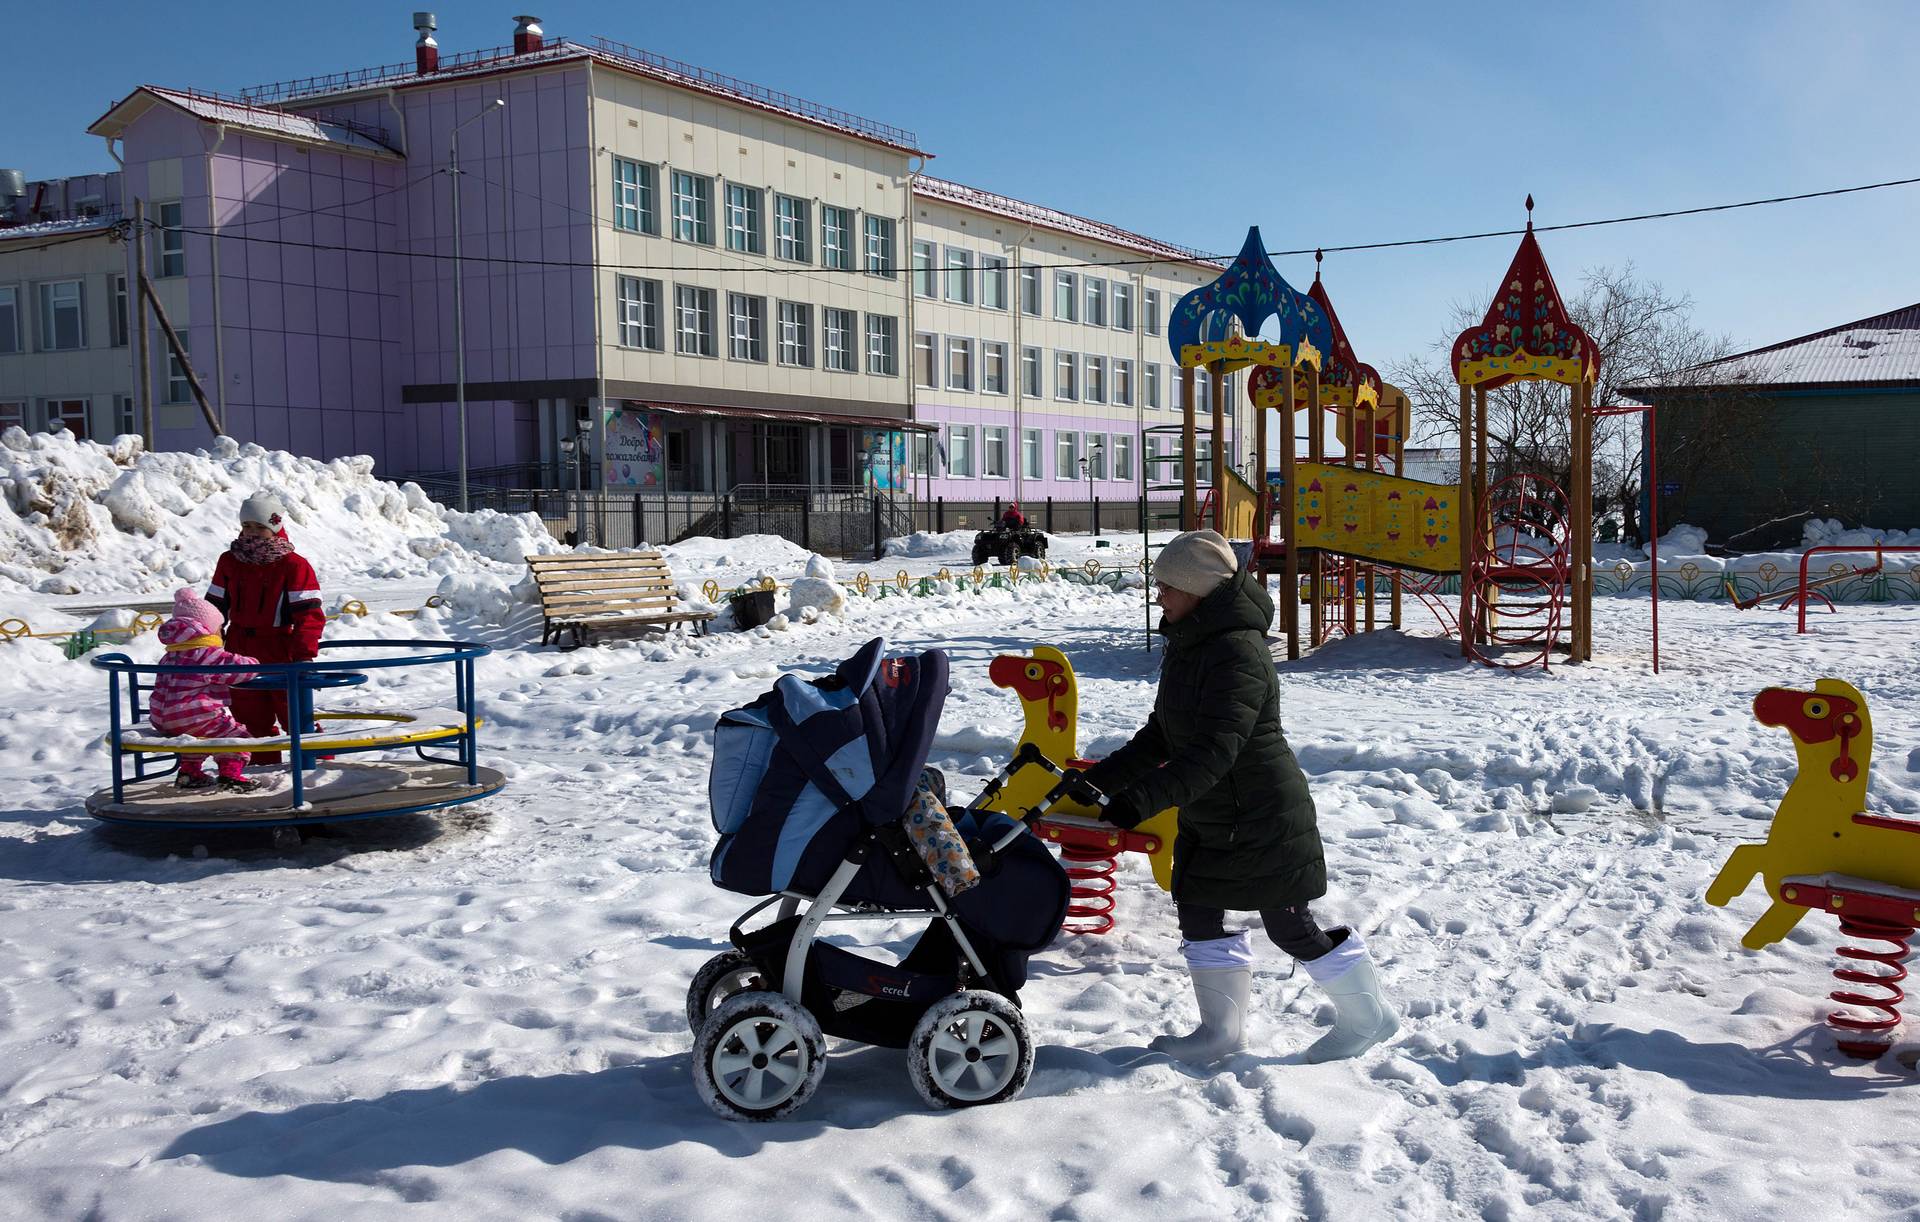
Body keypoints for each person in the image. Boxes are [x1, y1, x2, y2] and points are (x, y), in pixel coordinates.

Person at [1056, 529, 1397, 1064]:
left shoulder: (1236, 652)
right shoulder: (1190, 642)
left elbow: (1214, 752)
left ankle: (1366, 1017)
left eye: (1167, 586)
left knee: (1289, 926)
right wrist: (1101, 780)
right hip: (1215, 812)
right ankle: (1220, 1033)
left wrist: (1137, 802)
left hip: (1261, 812)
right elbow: (1164, 735)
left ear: (1198, 590)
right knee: (1197, 910)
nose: (1159, 595)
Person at [208, 493, 325, 767]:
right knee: (249, 720)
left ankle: (317, 772)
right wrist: (209, 645)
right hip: (239, 650)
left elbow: (309, 615)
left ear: (274, 527)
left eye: (259, 527)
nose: (252, 533)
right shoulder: (230, 560)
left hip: (281, 650)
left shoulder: (294, 565)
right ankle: (262, 773)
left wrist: (303, 655)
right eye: (247, 526)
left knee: (297, 717)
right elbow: (214, 608)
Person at [149, 588, 262, 792]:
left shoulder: (170, 654)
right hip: (191, 715)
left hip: (162, 717)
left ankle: (189, 773)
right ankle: (230, 775)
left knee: (195, 737)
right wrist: (254, 661)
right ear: (207, 629)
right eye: (219, 628)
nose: (221, 633)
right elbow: (241, 669)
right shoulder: (206, 654)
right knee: (238, 736)